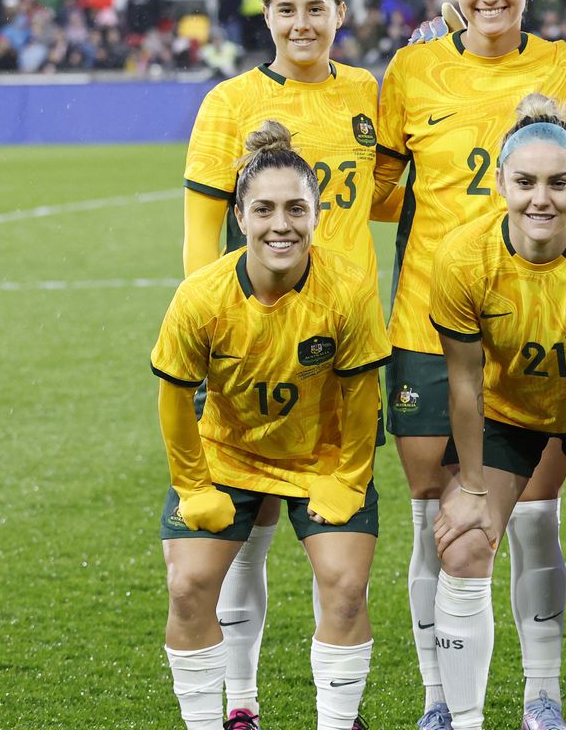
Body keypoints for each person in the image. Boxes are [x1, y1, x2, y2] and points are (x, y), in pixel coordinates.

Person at [370, 0, 566, 727]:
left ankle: (542, 697)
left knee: (533, 513)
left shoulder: (564, 70)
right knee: (436, 517)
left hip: (535, 327)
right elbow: (380, 188)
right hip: (428, 330)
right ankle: (440, 699)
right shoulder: (412, 70)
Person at [179, 0, 380, 730]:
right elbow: (202, 234)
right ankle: (240, 701)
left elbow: (385, 196)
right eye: (287, 9)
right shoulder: (229, 101)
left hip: (344, 348)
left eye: (316, 7)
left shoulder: (365, 93)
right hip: (252, 350)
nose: (302, 23)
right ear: (265, 14)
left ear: (340, 12)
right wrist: (210, 338)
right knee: (247, 530)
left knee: (339, 549)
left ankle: (337, 708)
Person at [428, 93, 566, 730]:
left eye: (559, 183)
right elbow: (465, 382)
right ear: (500, 182)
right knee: (465, 545)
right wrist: (473, 487)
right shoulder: (461, 257)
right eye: (525, 182)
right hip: (507, 409)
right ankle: (466, 721)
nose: (541, 199)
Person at [154, 121, 389, 730]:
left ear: (317, 216)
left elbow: (364, 396)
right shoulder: (201, 297)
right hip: (228, 453)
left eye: (295, 209)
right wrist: (193, 486)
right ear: (239, 215)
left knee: (344, 586)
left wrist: (349, 477)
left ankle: (337, 722)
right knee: (187, 586)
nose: (280, 225)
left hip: (322, 456)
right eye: (263, 209)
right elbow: (175, 400)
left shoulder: (349, 290)